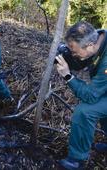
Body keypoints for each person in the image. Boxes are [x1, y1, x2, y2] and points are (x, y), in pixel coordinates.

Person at [55, 21, 107, 169]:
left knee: (85, 111)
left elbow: (90, 95)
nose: (74, 54)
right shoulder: (97, 38)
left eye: (75, 51)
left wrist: (68, 76)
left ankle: (77, 160)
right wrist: (66, 55)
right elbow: (82, 61)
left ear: (90, 45)